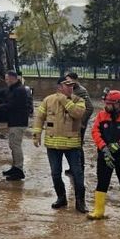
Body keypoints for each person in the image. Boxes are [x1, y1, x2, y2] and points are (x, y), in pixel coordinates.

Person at [32, 79, 88, 213]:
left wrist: (64, 100)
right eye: (67, 86)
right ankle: (61, 198)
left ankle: (80, 202)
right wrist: (37, 134)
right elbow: (39, 117)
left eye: (72, 86)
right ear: (59, 87)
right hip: (53, 144)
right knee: (55, 173)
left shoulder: (78, 100)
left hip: (72, 145)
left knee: (77, 174)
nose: (70, 88)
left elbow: (77, 113)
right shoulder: (48, 100)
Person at [88, 90, 120, 220]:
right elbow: (95, 132)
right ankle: (99, 210)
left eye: (109, 103)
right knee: (102, 181)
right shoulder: (101, 116)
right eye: (106, 103)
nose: (106, 106)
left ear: (118, 103)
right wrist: (103, 147)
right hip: (105, 154)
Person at [0, 71, 29, 181]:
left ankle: (19, 170)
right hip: (14, 122)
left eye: (6, 79)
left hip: (18, 122)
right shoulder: (14, 88)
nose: (6, 81)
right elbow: (2, 93)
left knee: (15, 146)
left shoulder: (19, 90)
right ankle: (15, 167)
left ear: (12, 78)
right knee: (13, 145)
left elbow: (11, 105)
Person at [64, 72, 94, 176]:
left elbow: (90, 108)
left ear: (75, 80)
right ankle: (73, 167)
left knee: (78, 145)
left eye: (69, 80)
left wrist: (82, 122)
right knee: (71, 145)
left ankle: (80, 168)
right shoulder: (71, 89)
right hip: (71, 122)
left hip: (79, 123)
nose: (67, 82)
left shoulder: (81, 91)